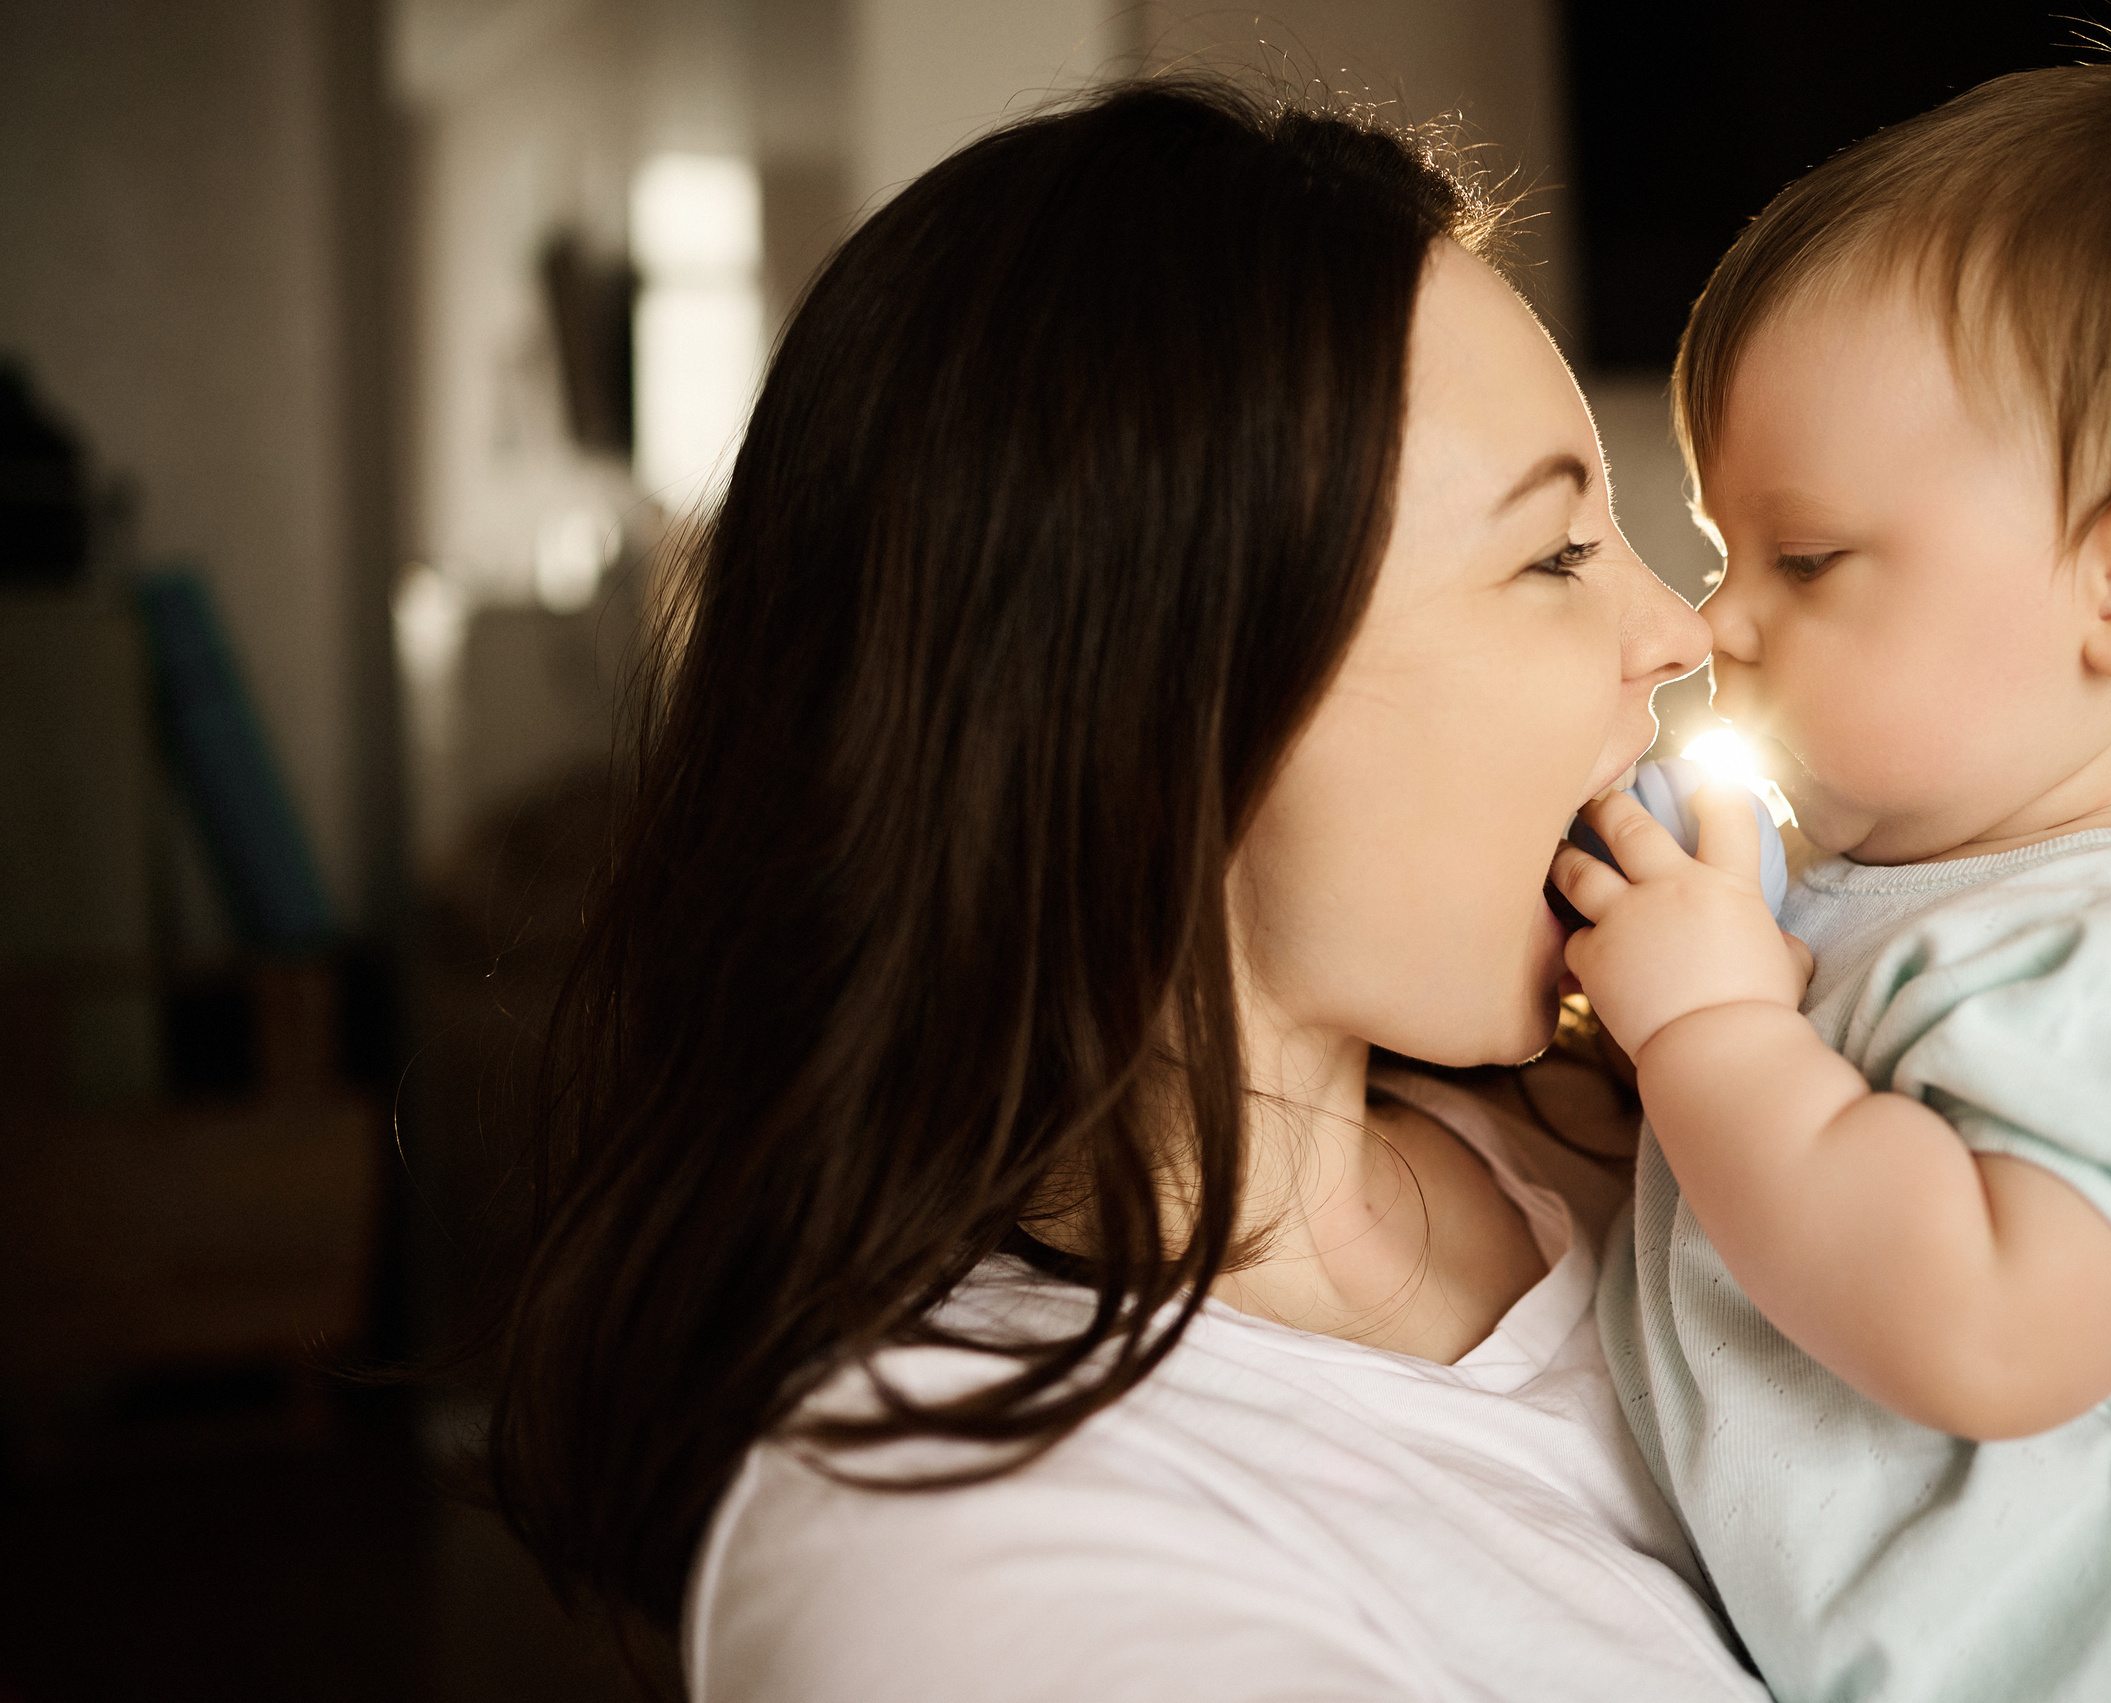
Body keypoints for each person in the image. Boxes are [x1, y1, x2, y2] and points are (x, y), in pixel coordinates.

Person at [481, 80, 1768, 1699]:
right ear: (1171, 715)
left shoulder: (1681, 1145)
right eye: (1556, 555)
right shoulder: (958, 1558)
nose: (1683, 632)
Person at [1549, 57, 2111, 1701]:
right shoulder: (1862, 907)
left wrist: (1712, 1033)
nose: (1716, 626)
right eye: (1719, 556)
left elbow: (1984, 1329)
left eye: (1807, 559)